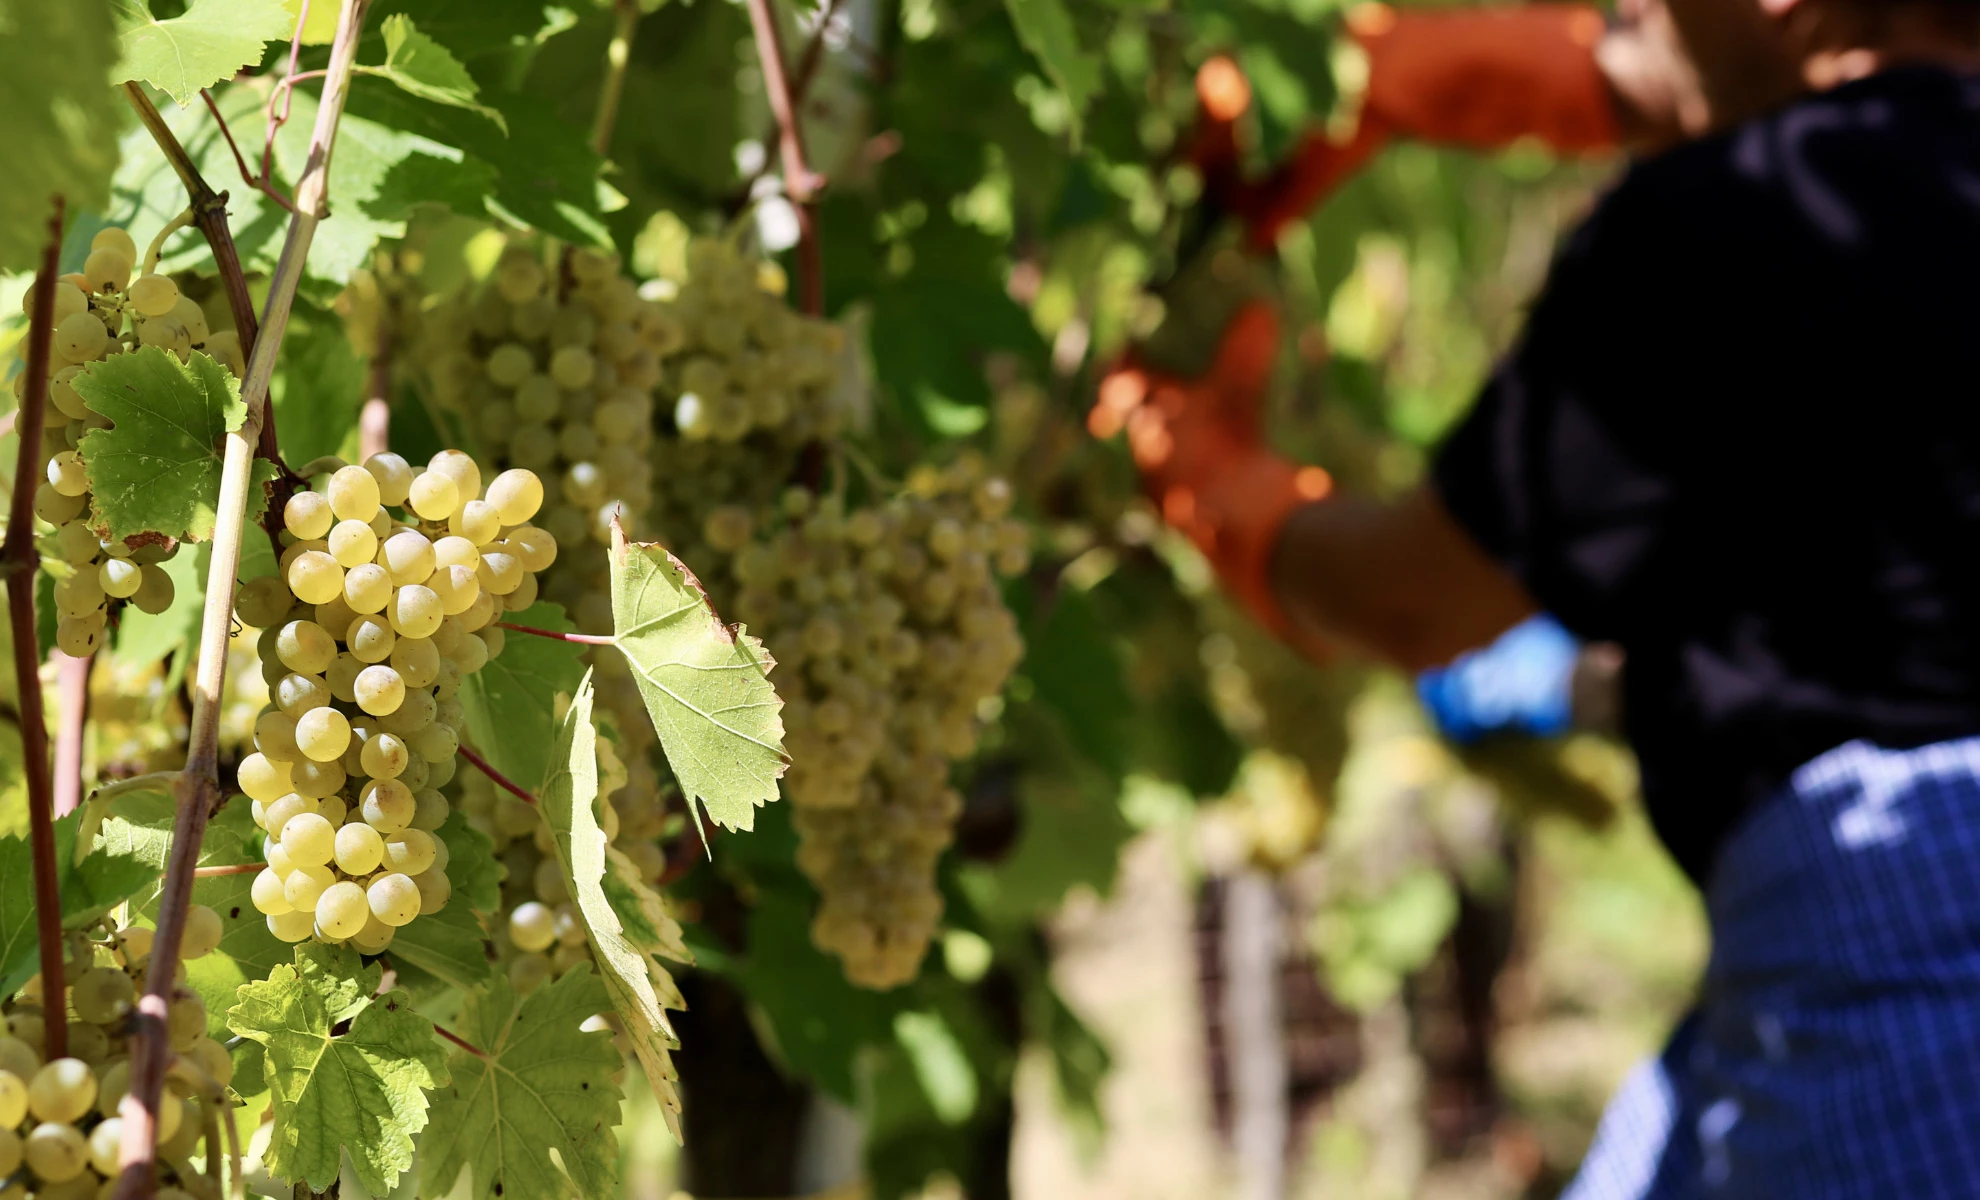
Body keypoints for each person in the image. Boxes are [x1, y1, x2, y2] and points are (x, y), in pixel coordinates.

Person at [1096, 0, 1980, 1194]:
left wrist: (1204, 473)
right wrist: (1433, 78)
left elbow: (1414, 604)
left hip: (1904, 941)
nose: (1627, 14)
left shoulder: (1737, 216)